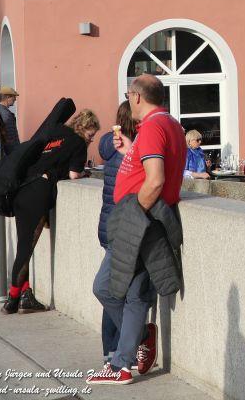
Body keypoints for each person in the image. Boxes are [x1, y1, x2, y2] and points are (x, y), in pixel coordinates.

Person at [89, 74, 187, 387]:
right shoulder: (165, 123)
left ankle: (122, 362)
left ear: (136, 96)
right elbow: (148, 168)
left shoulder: (156, 125)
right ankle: (133, 348)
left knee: (113, 289)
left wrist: (134, 214)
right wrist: (130, 150)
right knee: (123, 293)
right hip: (144, 221)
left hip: (140, 223)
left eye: (129, 94)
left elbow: (155, 179)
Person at [2, 109, 96, 314]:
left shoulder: (56, 132)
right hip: (38, 194)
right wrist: (84, 172)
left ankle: (25, 294)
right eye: (91, 135)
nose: (91, 139)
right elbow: (73, 175)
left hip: (22, 190)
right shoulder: (78, 143)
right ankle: (12, 299)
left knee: (24, 245)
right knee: (26, 249)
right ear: (84, 128)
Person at [96, 102, 134, 360]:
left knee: (111, 289)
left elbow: (103, 147)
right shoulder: (132, 148)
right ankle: (133, 340)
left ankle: (110, 349)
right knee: (118, 292)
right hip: (125, 228)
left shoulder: (110, 144)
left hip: (107, 226)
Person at [0, 86, 20, 155]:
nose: (15, 99)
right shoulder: (6, 113)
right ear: (7, 97)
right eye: (14, 97)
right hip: (10, 150)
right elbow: (11, 135)